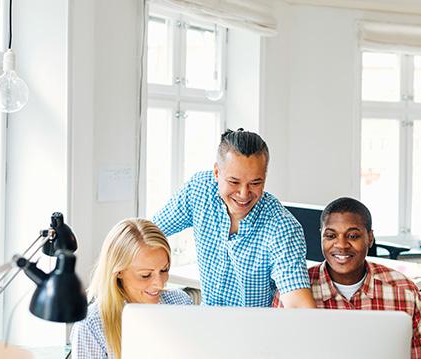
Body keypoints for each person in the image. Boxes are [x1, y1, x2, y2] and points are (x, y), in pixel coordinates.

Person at [152, 128, 315, 308]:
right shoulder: (199, 191)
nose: (244, 194)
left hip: (253, 329)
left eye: (255, 183)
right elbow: (146, 232)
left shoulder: (282, 227)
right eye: (234, 182)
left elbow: (299, 306)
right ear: (216, 172)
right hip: (206, 321)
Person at [275, 197, 421, 359]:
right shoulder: (293, 292)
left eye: (353, 236)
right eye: (331, 236)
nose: (341, 245)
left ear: (370, 237)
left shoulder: (404, 291)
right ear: (321, 237)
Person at [70, 218, 192, 359]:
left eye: (164, 270)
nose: (159, 283)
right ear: (119, 272)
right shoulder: (91, 325)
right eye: (146, 275)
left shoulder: (180, 303)